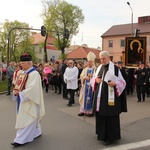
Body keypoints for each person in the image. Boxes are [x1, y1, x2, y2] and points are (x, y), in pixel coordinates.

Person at [92, 51, 127, 146]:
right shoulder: (99, 67)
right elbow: (93, 79)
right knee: (101, 115)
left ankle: (110, 137)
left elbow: (123, 83)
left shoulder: (115, 69)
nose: (102, 60)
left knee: (109, 116)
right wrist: (96, 80)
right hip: (100, 96)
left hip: (110, 98)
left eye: (103, 58)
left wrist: (115, 84)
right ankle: (101, 134)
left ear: (108, 58)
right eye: (100, 58)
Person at [11, 53, 45, 147]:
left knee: (27, 119)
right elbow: (18, 84)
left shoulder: (34, 74)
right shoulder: (23, 73)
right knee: (28, 118)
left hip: (31, 101)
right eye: (21, 63)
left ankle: (20, 139)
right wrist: (15, 90)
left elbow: (33, 89)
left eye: (22, 63)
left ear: (29, 64)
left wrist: (20, 93)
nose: (21, 65)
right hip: (23, 100)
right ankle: (36, 132)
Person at [78, 51, 96, 117]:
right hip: (85, 86)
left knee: (91, 98)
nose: (89, 63)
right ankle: (82, 111)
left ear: (93, 62)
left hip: (92, 87)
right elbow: (81, 76)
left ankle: (90, 112)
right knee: (83, 97)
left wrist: (92, 77)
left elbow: (97, 77)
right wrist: (85, 77)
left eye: (90, 62)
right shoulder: (85, 69)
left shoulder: (95, 69)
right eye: (88, 62)